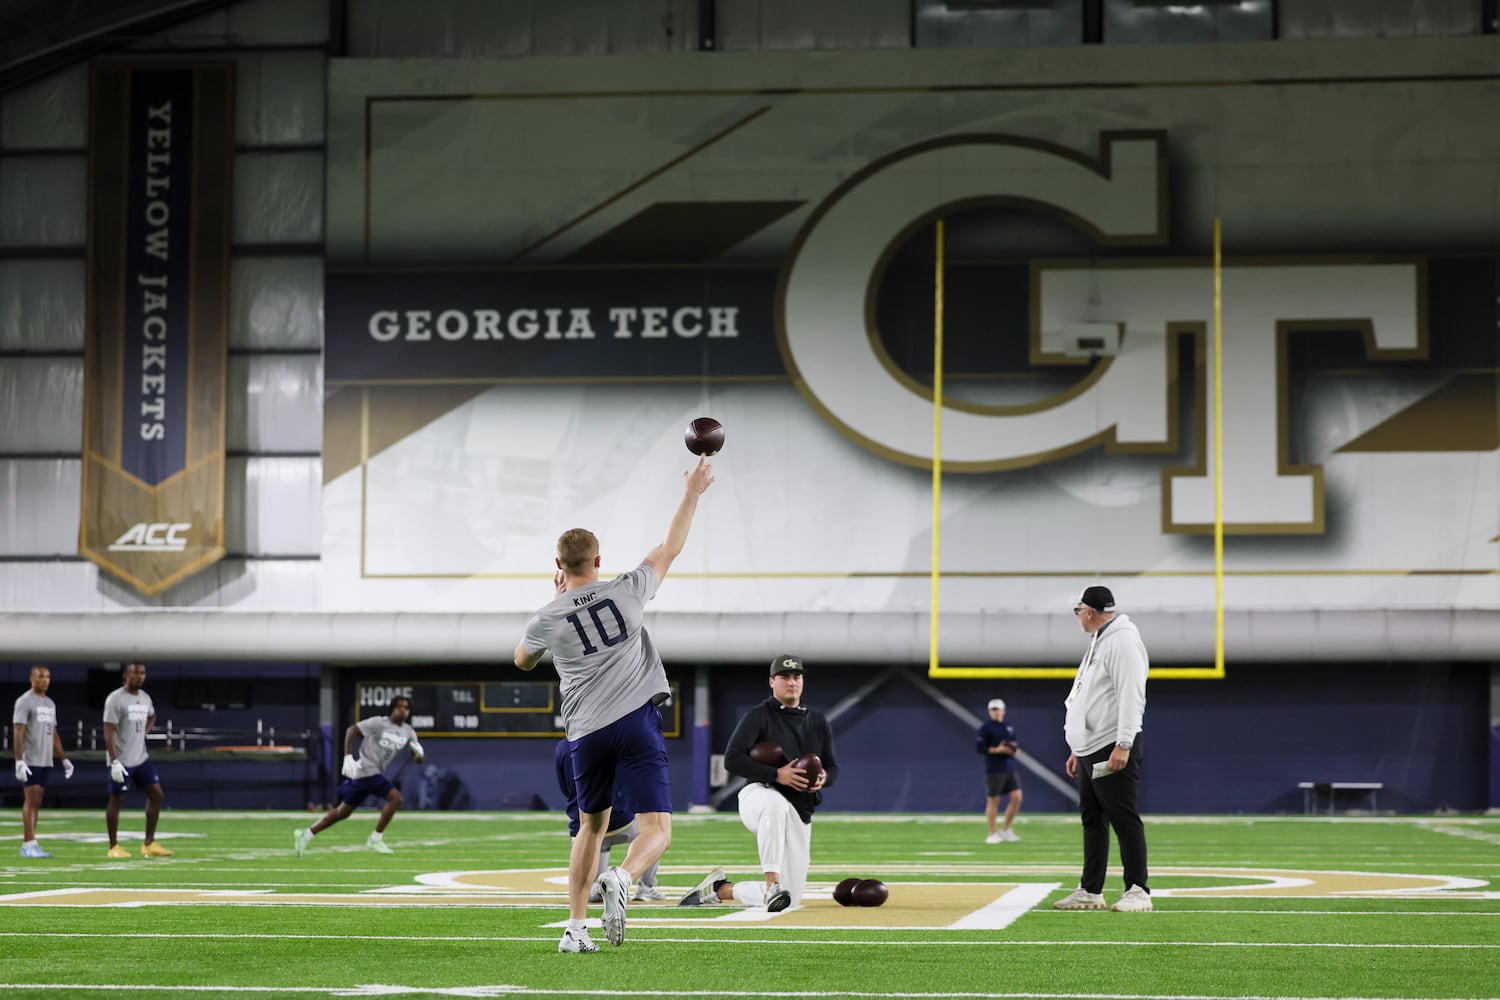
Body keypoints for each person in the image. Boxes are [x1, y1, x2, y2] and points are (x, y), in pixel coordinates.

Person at [515, 454, 715, 953]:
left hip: (584, 732)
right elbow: (671, 546)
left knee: (591, 826)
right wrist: (692, 491)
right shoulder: (627, 591)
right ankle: (624, 880)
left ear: (558, 566)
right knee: (658, 831)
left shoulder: (547, 616)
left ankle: (575, 928)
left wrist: (555, 602)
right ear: (598, 562)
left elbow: (521, 661)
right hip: (635, 721)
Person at [679, 654, 837, 913]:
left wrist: (824, 778)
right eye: (784, 677)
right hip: (760, 794)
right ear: (772, 682)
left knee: (792, 898)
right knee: (774, 805)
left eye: (797, 676)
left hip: (801, 808)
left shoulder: (817, 721)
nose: (791, 682)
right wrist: (777, 775)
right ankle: (772, 883)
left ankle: (719, 890)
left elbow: (832, 767)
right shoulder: (758, 716)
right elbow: (732, 759)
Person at [1055, 585, 1152, 913]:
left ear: (1090, 612)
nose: (1077, 617)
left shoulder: (1121, 640)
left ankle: (1138, 889)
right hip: (1090, 747)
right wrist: (1075, 746)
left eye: (1078, 610)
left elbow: (1131, 695)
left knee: (1123, 816)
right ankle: (1091, 890)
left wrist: (1124, 743)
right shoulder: (1102, 639)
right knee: (1093, 819)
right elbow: (1089, 696)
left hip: (1111, 743)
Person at [295, 695, 424, 857]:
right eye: (399, 706)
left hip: (369, 774)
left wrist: (419, 755)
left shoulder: (408, 732)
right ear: (392, 708)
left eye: (406, 708)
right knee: (396, 798)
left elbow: (417, 759)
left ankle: (306, 834)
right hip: (367, 769)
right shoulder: (379, 723)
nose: (403, 710)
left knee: (343, 812)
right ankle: (375, 838)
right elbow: (352, 730)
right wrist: (348, 756)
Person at [553, 739, 665, 903]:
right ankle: (646, 888)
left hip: (581, 827)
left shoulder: (562, 747)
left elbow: (564, 787)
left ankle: (595, 890)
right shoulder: (610, 740)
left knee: (592, 890)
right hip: (618, 822)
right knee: (655, 831)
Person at [103, 662, 172, 859]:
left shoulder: (145, 698)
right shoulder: (116, 699)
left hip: (141, 757)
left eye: (142, 673)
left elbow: (152, 716)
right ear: (125, 675)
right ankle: (113, 846)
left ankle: (149, 843)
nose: (139, 677)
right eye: (135, 673)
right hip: (121, 759)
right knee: (116, 799)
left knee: (157, 795)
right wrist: (114, 760)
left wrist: (144, 732)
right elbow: (108, 731)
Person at [13, 665, 74, 858]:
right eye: (41, 676)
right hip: (30, 758)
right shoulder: (24, 701)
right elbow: (18, 731)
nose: (45, 680)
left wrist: (64, 759)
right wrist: (19, 760)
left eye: (47, 676)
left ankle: (32, 841)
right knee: (30, 800)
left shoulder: (49, 703)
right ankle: (28, 844)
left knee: (37, 800)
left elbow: (53, 733)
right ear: (32, 679)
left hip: (45, 758)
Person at [976, 697, 1022, 843]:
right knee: (993, 801)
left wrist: (1013, 751)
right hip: (994, 768)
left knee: (1017, 798)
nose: (995, 712)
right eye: (993, 710)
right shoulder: (986, 727)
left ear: (1004, 710)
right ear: (990, 711)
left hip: (1008, 767)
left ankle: (1006, 829)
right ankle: (992, 833)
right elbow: (980, 748)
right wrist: (997, 750)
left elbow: (1014, 745)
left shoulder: (1008, 727)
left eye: (998, 709)